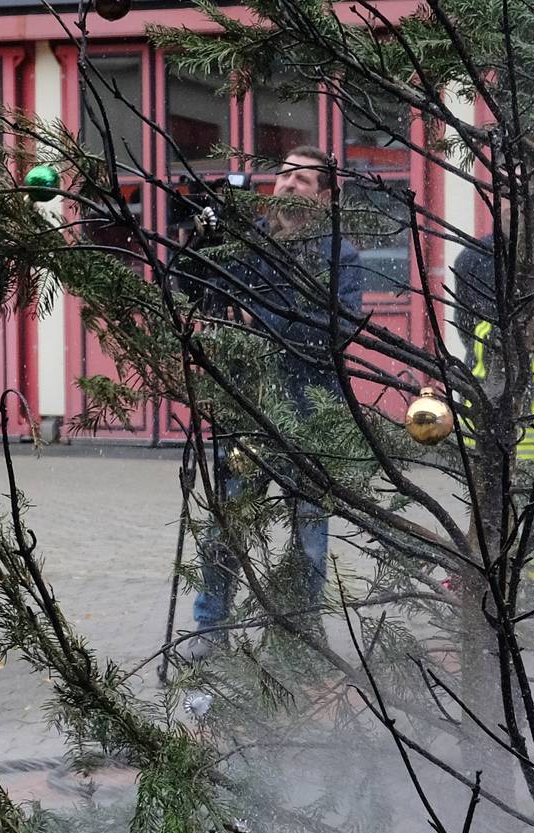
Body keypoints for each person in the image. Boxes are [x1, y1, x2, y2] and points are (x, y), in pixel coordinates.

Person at [178, 145, 364, 658]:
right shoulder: (247, 245)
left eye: (303, 179)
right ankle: (209, 629)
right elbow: (196, 293)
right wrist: (197, 242)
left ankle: (298, 636)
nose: (287, 184)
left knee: (308, 537)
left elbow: (336, 328)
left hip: (310, 415)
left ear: (325, 197)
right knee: (227, 526)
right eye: (283, 175)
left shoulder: (338, 255)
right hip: (247, 412)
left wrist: (260, 325)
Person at [450, 215, 534, 644]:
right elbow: (466, 332)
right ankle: (497, 618)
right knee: (496, 525)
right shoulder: (475, 259)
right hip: (496, 425)